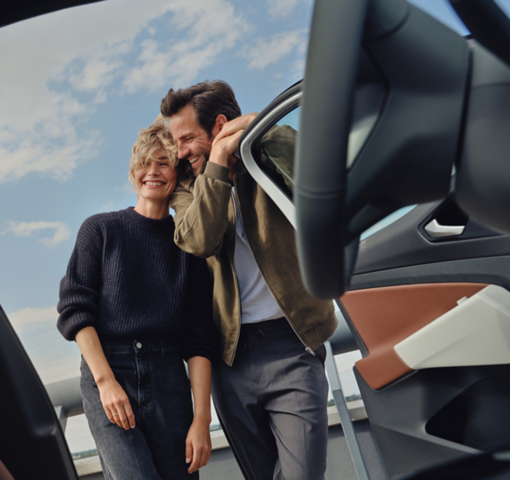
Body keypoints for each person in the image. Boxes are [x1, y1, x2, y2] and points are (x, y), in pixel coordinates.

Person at [160, 80, 337, 480]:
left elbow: (318, 173)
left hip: (293, 346)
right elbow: (198, 239)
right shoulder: (188, 187)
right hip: (230, 359)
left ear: (219, 124)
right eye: (177, 141)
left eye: (188, 138)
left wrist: (263, 129)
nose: (181, 151)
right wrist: (218, 162)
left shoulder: (267, 151)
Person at [57, 117, 218, 479]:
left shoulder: (189, 245)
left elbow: (199, 336)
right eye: (146, 163)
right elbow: (75, 311)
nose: (153, 172)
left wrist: (202, 420)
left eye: (164, 163)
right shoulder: (100, 229)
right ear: (134, 172)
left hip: (168, 378)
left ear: (177, 173)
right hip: (110, 373)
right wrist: (106, 383)